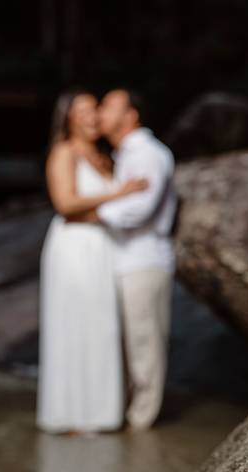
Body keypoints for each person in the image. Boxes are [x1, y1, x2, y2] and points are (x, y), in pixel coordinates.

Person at [37, 90, 147, 433]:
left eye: (94, 109)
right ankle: (68, 414)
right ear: (68, 117)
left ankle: (99, 413)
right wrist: (120, 193)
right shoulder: (64, 152)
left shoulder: (103, 156)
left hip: (102, 247)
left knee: (100, 327)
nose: (92, 116)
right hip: (73, 246)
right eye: (82, 110)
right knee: (73, 325)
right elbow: (65, 203)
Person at [96, 89, 177, 430]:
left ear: (131, 116)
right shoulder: (124, 155)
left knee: (145, 344)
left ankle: (142, 420)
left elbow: (140, 209)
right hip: (125, 259)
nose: (100, 112)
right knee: (131, 343)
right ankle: (131, 412)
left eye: (109, 106)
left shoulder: (148, 153)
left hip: (144, 260)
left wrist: (96, 209)